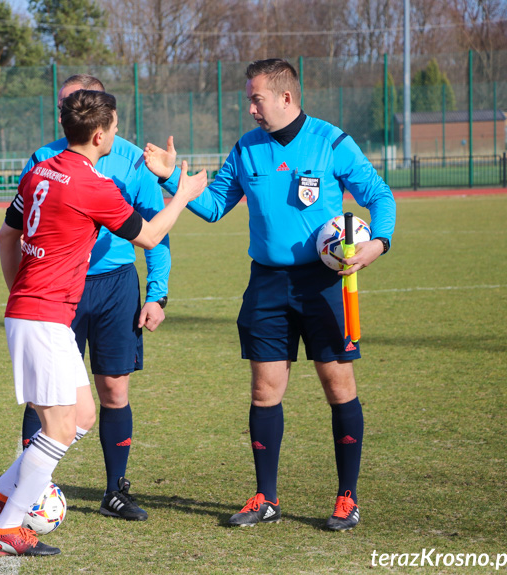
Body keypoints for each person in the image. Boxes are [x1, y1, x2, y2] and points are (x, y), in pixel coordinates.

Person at [143, 58, 397, 531]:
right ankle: (266, 497)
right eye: (249, 100)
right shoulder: (247, 149)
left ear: (285, 97)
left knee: (338, 388)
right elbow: (215, 205)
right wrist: (170, 178)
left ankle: (347, 497)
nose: (251, 108)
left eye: (256, 99)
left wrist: (377, 242)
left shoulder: (331, 142)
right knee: (264, 391)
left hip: (325, 283)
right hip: (267, 283)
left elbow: (380, 195)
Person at [0, 89, 206, 556]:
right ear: (101, 134)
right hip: (44, 316)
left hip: (41, 313)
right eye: (115, 127)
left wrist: (18, 291)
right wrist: (183, 193)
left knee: (83, 415)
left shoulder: (40, 170)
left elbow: (7, 234)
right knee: (59, 427)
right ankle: (6, 528)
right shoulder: (92, 185)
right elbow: (149, 235)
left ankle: (1, 492)